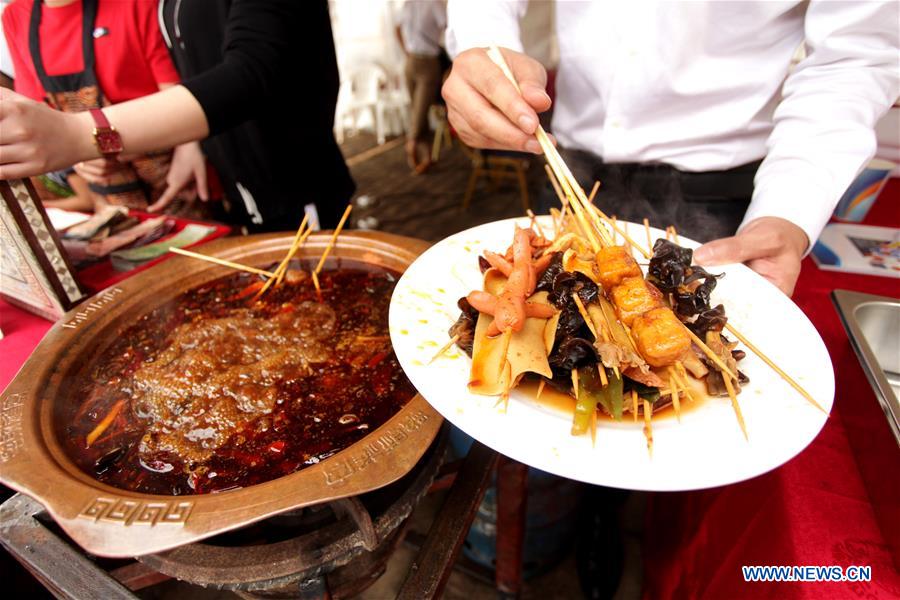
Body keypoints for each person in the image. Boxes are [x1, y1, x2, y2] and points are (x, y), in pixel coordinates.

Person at [441, 1, 900, 295]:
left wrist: (791, 207)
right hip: (569, 168)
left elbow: (854, 58)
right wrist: (486, 48)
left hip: (718, 193)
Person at [0, 0, 355, 232]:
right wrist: (193, 144)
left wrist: (80, 134)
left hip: (293, 183)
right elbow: (196, 67)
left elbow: (253, 71)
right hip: (233, 187)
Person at [2, 0, 205, 212]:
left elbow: (179, 93)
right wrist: (79, 159)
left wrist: (190, 147)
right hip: (107, 191)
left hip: (173, 168)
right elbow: (39, 116)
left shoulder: (135, 4)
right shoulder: (16, 16)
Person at [395, 0, 447, 173]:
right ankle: (426, 156)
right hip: (411, 62)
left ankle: (411, 143)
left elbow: (447, 27)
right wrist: (406, 50)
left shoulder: (434, 3)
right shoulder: (407, 4)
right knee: (418, 111)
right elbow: (396, 28)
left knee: (420, 110)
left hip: (428, 63)